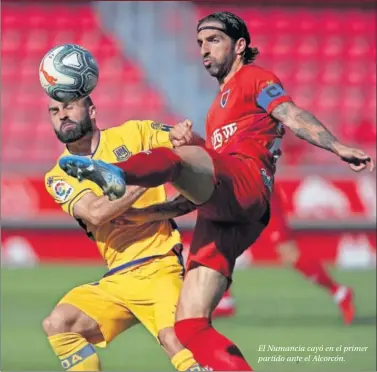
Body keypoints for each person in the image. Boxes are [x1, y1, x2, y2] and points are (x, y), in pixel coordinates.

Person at [59, 12, 374, 371]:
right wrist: (148, 214)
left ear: (240, 46)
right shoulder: (214, 112)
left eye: (213, 40)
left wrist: (337, 147)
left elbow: (291, 114)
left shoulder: (257, 78)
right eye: (199, 43)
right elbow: (193, 195)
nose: (204, 50)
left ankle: (113, 172)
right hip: (225, 212)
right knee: (190, 324)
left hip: (247, 182)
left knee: (177, 157)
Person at [43, 96, 203, 372]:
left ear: (92, 111)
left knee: (174, 340)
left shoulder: (135, 134)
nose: (62, 115)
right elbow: (95, 213)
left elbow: (194, 150)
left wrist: (185, 136)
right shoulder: (58, 174)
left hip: (159, 265)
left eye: (69, 107)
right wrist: (151, 174)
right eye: (54, 111)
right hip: (118, 277)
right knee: (59, 323)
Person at [213, 187, 355, 324]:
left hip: (257, 189)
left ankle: (339, 292)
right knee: (216, 238)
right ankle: (224, 300)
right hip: (231, 190)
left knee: (288, 252)